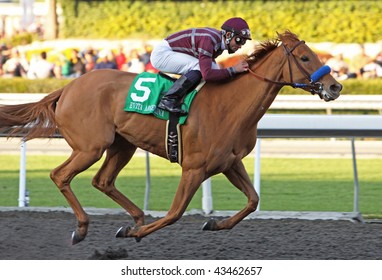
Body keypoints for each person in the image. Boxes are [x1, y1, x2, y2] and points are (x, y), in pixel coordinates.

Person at [150, 17, 251, 114]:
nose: (240, 45)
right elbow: (207, 74)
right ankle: (169, 99)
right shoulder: (209, 40)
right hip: (162, 54)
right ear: (228, 34)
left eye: (244, 41)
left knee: (215, 70)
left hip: (170, 52)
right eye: (239, 40)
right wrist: (233, 69)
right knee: (199, 67)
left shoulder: (218, 42)